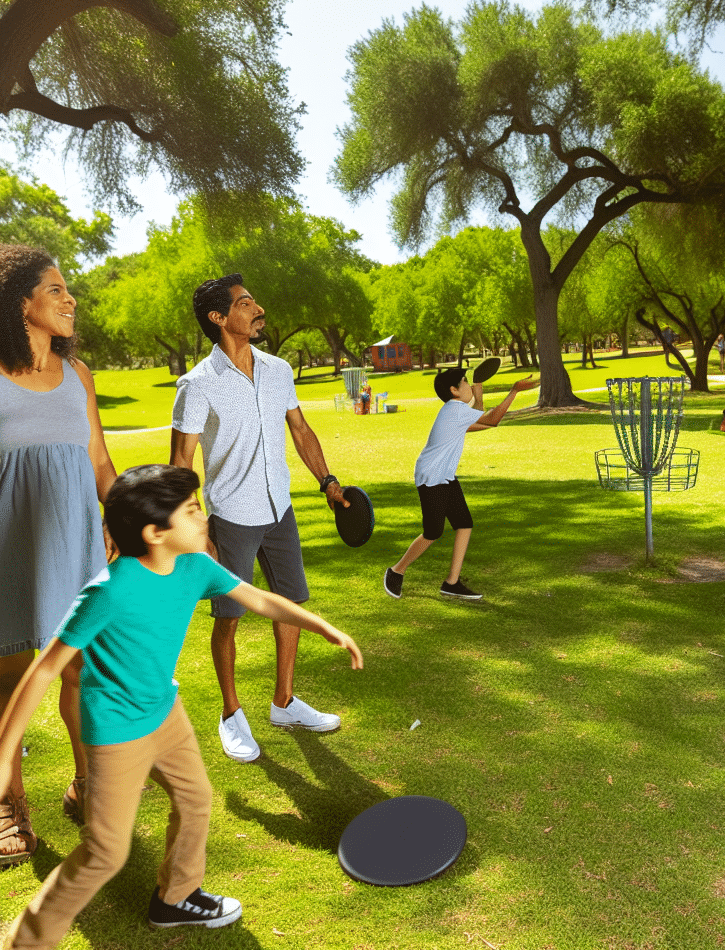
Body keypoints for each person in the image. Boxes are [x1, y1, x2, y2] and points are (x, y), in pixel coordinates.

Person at [0, 465, 363, 947]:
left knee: (195, 800)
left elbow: (258, 599)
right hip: (116, 728)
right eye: (191, 511)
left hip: (165, 712)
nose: (203, 519)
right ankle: (25, 940)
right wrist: (4, 755)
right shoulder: (109, 591)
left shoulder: (195, 568)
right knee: (106, 851)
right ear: (155, 533)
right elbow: (45, 669)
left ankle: (177, 898)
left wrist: (322, 627)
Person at [170, 274, 350, 764]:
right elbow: (180, 464)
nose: (258, 308)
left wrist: (328, 481)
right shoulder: (196, 385)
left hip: (280, 509)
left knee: (290, 605)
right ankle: (231, 714)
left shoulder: (278, 370)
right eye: (246, 303)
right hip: (230, 517)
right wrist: (195, 529)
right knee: (229, 618)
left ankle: (285, 702)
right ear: (219, 318)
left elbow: (300, 427)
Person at [0, 245, 118, 865]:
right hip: (7, 549)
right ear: (21, 304)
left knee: (83, 670)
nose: (71, 299)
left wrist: (124, 515)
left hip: (77, 544)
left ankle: (87, 783)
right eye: (55, 290)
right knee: (9, 680)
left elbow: (98, 460)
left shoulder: (80, 376)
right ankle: (7, 804)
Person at [384, 366, 538, 601]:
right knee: (433, 532)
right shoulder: (455, 410)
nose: (467, 385)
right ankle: (396, 571)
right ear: (454, 390)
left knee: (464, 523)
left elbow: (482, 419)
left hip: (444, 476)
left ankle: (451, 583)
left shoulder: (455, 410)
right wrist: (514, 390)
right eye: (464, 382)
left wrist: (478, 390)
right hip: (432, 477)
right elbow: (492, 420)